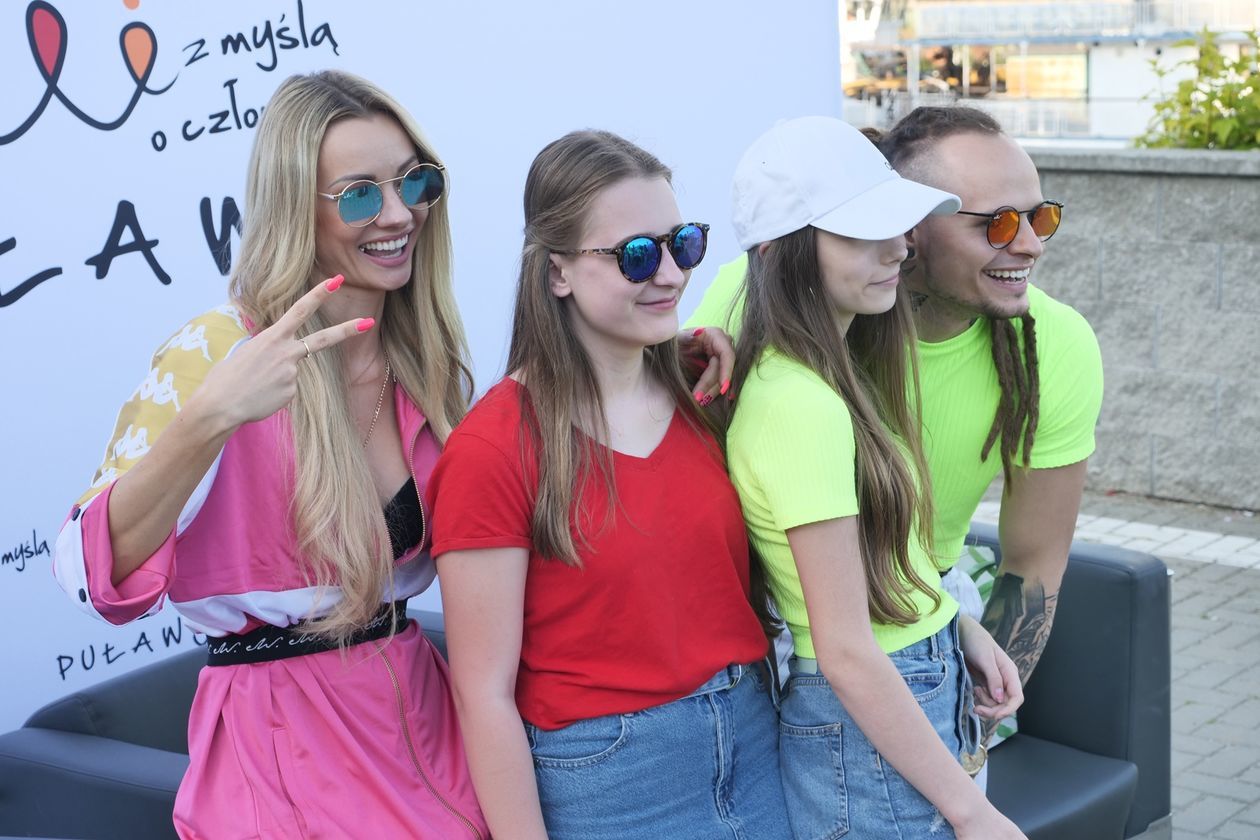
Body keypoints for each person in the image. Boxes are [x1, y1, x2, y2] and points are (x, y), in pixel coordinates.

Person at [52, 70, 489, 838]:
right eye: (360, 195)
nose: (399, 214)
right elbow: (91, 573)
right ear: (294, 207)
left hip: (427, 732)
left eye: (413, 182)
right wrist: (210, 418)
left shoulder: (426, 363)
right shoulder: (219, 349)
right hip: (282, 753)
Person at [691, 107, 1103, 781]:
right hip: (760, 619)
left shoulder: (1054, 344)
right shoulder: (768, 298)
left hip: (925, 613)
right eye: (999, 223)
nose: (1031, 244)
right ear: (911, 226)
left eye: (1041, 217)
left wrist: (965, 731)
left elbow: (1033, 563)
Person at [428, 129, 789, 840]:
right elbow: (483, 695)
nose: (671, 274)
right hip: (610, 780)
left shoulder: (706, 390)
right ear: (558, 272)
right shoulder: (492, 449)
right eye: (637, 254)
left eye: (684, 243)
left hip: (753, 739)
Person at [723, 115, 1025, 839]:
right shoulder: (799, 403)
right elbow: (845, 651)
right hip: (872, 718)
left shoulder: (830, 376)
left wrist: (956, 624)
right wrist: (972, 811)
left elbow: (874, 571)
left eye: (896, 224)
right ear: (782, 253)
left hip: (903, 692)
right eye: (862, 233)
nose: (899, 247)